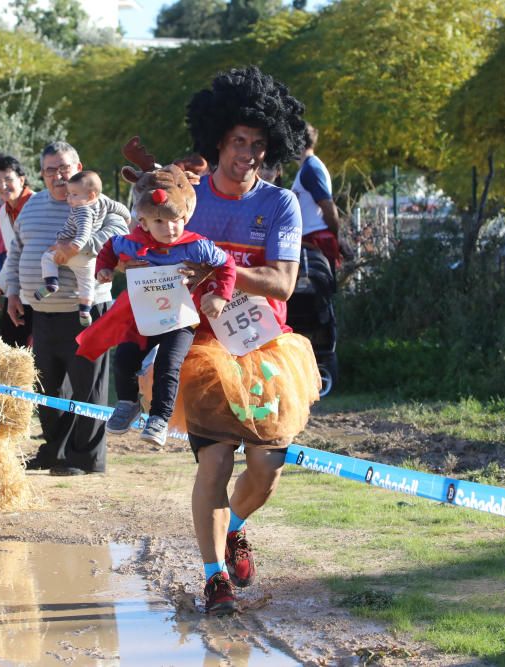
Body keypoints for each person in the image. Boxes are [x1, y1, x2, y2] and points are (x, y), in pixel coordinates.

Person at [181, 66, 320, 614]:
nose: (249, 153)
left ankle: (235, 526)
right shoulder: (192, 198)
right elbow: (154, 250)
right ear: (218, 141)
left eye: (259, 144)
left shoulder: (280, 203)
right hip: (204, 348)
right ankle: (214, 576)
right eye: (239, 142)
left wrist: (217, 265)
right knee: (214, 462)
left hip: (266, 347)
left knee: (266, 469)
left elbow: (284, 281)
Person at [79, 166, 236, 445]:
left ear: (185, 216)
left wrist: (221, 295)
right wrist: (104, 269)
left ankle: (159, 419)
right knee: (125, 358)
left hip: (180, 319)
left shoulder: (197, 246)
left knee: (168, 364)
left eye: (174, 220)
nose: (169, 228)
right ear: (144, 222)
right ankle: (128, 403)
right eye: (159, 223)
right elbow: (109, 248)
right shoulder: (131, 242)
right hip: (144, 319)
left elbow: (226, 264)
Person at [4, 141, 128, 475]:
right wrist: (12, 290)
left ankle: (85, 459)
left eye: (65, 168)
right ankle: (55, 450)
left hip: (86, 309)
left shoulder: (97, 202)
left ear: (78, 167)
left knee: (88, 386)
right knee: (47, 385)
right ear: (42, 174)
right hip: (42, 310)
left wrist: (79, 247)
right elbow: (16, 250)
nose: (58, 176)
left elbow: (121, 229)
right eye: (50, 170)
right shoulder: (31, 206)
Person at [33, 170, 131, 327]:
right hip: (88, 258)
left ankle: (51, 282)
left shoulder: (81, 210)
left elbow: (84, 229)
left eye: (73, 194)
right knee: (86, 282)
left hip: (72, 249)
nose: (69, 198)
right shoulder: (103, 202)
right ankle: (85, 309)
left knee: (47, 257)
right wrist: (127, 217)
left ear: (91, 196)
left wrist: (75, 246)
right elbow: (119, 207)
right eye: (69, 194)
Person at [0, 155, 35, 347]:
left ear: (21, 180)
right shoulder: (1, 214)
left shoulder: (39, 203)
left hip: (45, 295)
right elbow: (12, 256)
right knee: (11, 353)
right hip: (17, 295)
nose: (3, 186)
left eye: (8, 180)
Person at [292, 123, 342, 272]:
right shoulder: (306, 168)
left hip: (316, 243)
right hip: (308, 242)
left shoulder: (311, 168)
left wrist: (336, 237)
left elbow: (328, 206)